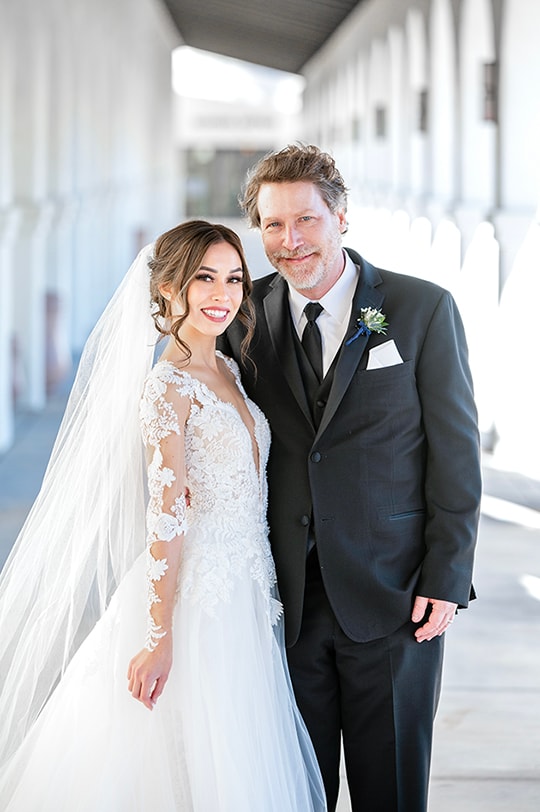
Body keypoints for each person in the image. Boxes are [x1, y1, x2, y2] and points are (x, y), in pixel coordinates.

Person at [0, 220, 326, 811]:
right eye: (204, 278)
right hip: (194, 599)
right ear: (168, 290)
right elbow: (166, 517)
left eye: (233, 278)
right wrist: (159, 636)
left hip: (247, 591)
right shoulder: (166, 388)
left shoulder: (228, 369)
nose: (222, 294)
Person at [219, 144, 482, 812]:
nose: (290, 241)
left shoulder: (420, 310)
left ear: (342, 217)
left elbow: (455, 455)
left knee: (390, 791)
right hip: (285, 607)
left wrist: (446, 578)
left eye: (305, 220)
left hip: (395, 603)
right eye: (273, 225)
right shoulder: (241, 317)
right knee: (293, 793)